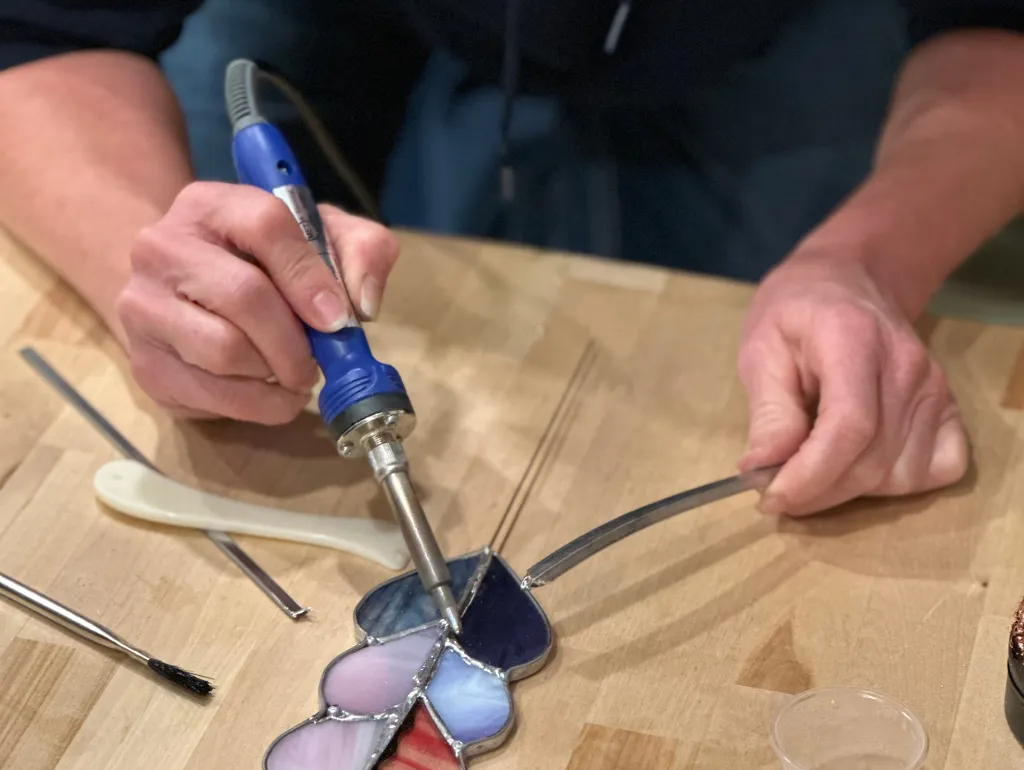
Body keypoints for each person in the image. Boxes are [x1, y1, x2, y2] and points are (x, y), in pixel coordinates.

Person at [1, 1, 1021, 517]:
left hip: (759, 32)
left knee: (771, 379)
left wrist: (865, 262)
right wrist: (155, 266)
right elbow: (39, 33)